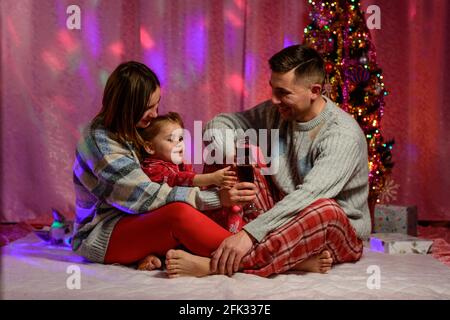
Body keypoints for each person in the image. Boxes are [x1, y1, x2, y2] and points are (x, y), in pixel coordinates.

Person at [164, 44, 371, 278]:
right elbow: (219, 123)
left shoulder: (341, 135)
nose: (273, 99)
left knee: (325, 208)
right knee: (232, 154)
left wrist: (250, 234)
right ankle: (291, 260)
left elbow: (308, 197)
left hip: (332, 227)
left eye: (283, 93)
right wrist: (234, 152)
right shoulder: (279, 112)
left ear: (314, 91)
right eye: (272, 89)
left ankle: (214, 264)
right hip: (282, 214)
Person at [71, 61, 256, 273]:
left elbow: (164, 180)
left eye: (156, 105)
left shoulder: (129, 129)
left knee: (191, 207)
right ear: (126, 107)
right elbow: (145, 197)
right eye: (147, 108)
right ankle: (252, 257)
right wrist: (215, 198)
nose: (154, 114)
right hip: (101, 233)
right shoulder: (100, 144)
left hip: (131, 219)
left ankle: (224, 253)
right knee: (177, 214)